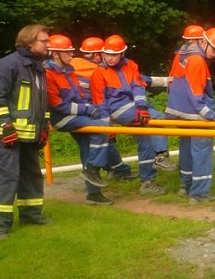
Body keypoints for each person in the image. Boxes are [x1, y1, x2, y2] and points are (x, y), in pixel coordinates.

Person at [0, 24, 51, 239]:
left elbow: (42, 103)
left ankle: (31, 215)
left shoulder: (38, 68)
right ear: (29, 42)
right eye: (44, 41)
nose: (48, 45)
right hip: (8, 134)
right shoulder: (6, 65)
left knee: (31, 176)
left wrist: (44, 129)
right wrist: (6, 125)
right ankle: (0, 225)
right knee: (7, 177)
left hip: (31, 133)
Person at [90, 34, 176, 195]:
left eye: (113, 54)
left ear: (122, 53)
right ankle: (161, 156)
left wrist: (142, 107)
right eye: (107, 54)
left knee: (146, 141)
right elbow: (99, 100)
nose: (109, 58)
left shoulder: (131, 66)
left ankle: (147, 182)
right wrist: (105, 121)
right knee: (158, 117)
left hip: (134, 107)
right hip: (117, 109)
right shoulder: (99, 73)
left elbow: (138, 87)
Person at [44, 34, 114, 205]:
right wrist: (88, 109)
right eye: (67, 52)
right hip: (62, 118)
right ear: (55, 54)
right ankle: (93, 168)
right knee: (102, 128)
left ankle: (93, 194)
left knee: (88, 147)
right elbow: (58, 106)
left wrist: (89, 110)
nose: (72, 55)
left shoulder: (68, 70)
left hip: (76, 116)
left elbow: (79, 96)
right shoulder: (47, 74)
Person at [166, 27, 215, 203]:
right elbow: (195, 92)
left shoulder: (181, 56)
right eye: (214, 49)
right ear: (203, 42)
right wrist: (209, 114)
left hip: (180, 113)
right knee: (202, 153)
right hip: (196, 114)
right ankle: (199, 194)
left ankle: (185, 186)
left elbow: (172, 81)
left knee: (186, 150)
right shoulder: (198, 61)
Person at [70, 36, 137, 181]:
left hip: (74, 113)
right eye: (105, 53)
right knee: (99, 142)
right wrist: (163, 81)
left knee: (99, 144)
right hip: (90, 113)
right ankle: (97, 182)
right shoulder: (97, 70)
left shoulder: (71, 64)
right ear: (96, 55)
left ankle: (117, 170)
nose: (108, 57)